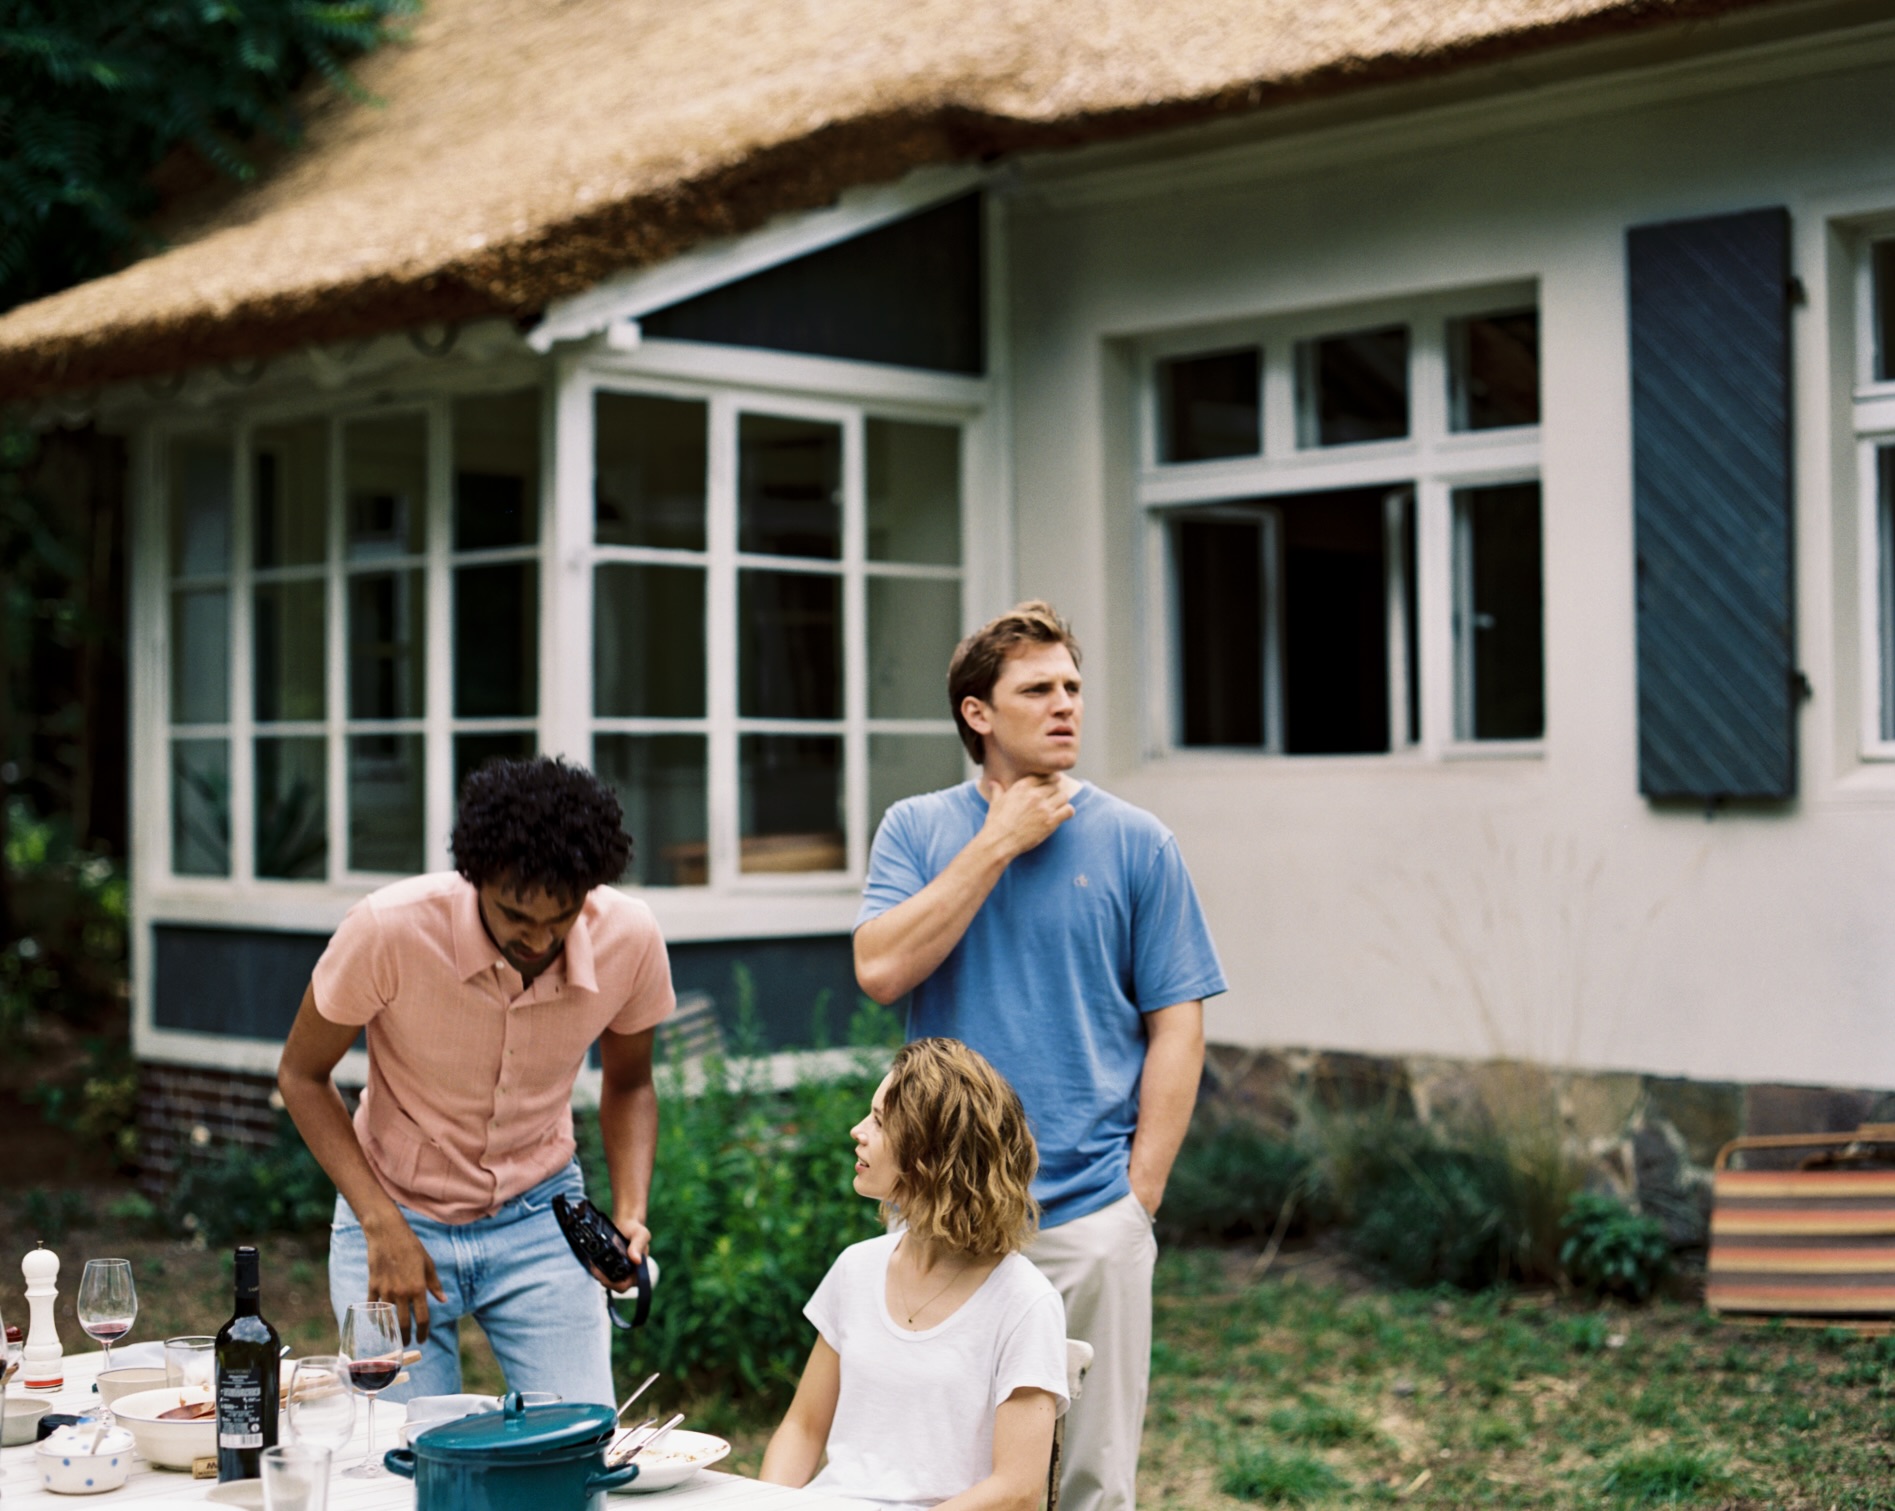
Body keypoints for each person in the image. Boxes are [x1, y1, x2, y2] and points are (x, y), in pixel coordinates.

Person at [854, 602, 1226, 1511]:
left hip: (1092, 1212)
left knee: (1093, 1475)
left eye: (1072, 687)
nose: (1065, 705)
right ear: (978, 714)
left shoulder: (1139, 842)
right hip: (939, 1207)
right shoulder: (915, 829)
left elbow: (1176, 1022)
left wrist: (1139, 1196)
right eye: (1037, 689)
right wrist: (998, 843)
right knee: (945, 1466)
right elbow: (881, 968)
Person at [277, 756, 673, 1406]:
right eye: (517, 915)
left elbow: (629, 1084)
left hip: (540, 1214)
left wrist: (628, 1213)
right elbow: (301, 1073)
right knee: (402, 1468)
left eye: (562, 916)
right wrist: (380, 1223)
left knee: (575, 1455)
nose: (540, 939)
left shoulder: (629, 936)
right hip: (394, 1209)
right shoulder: (387, 929)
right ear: (476, 876)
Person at [761, 1037, 1068, 1511]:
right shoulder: (855, 1268)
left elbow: (1019, 1489)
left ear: (936, 1154)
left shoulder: (1024, 1302)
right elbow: (802, 1428)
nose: (856, 1131)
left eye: (880, 1122)